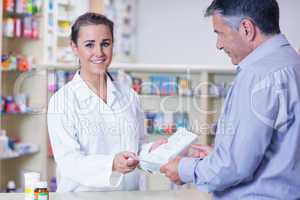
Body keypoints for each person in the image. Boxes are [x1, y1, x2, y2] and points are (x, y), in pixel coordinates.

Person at [160, 0, 300, 199]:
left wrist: (183, 168)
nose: (219, 45)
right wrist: (218, 157)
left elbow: (233, 166)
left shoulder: (257, 75)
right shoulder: (293, 64)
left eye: (220, 33)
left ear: (246, 28)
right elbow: (282, 152)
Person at [47, 12, 166, 192]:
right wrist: (112, 164)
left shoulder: (128, 95)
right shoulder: (62, 101)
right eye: (89, 45)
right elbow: (69, 161)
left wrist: (152, 151)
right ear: (74, 47)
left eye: (105, 44)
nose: (99, 53)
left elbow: (138, 147)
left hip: (128, 195)